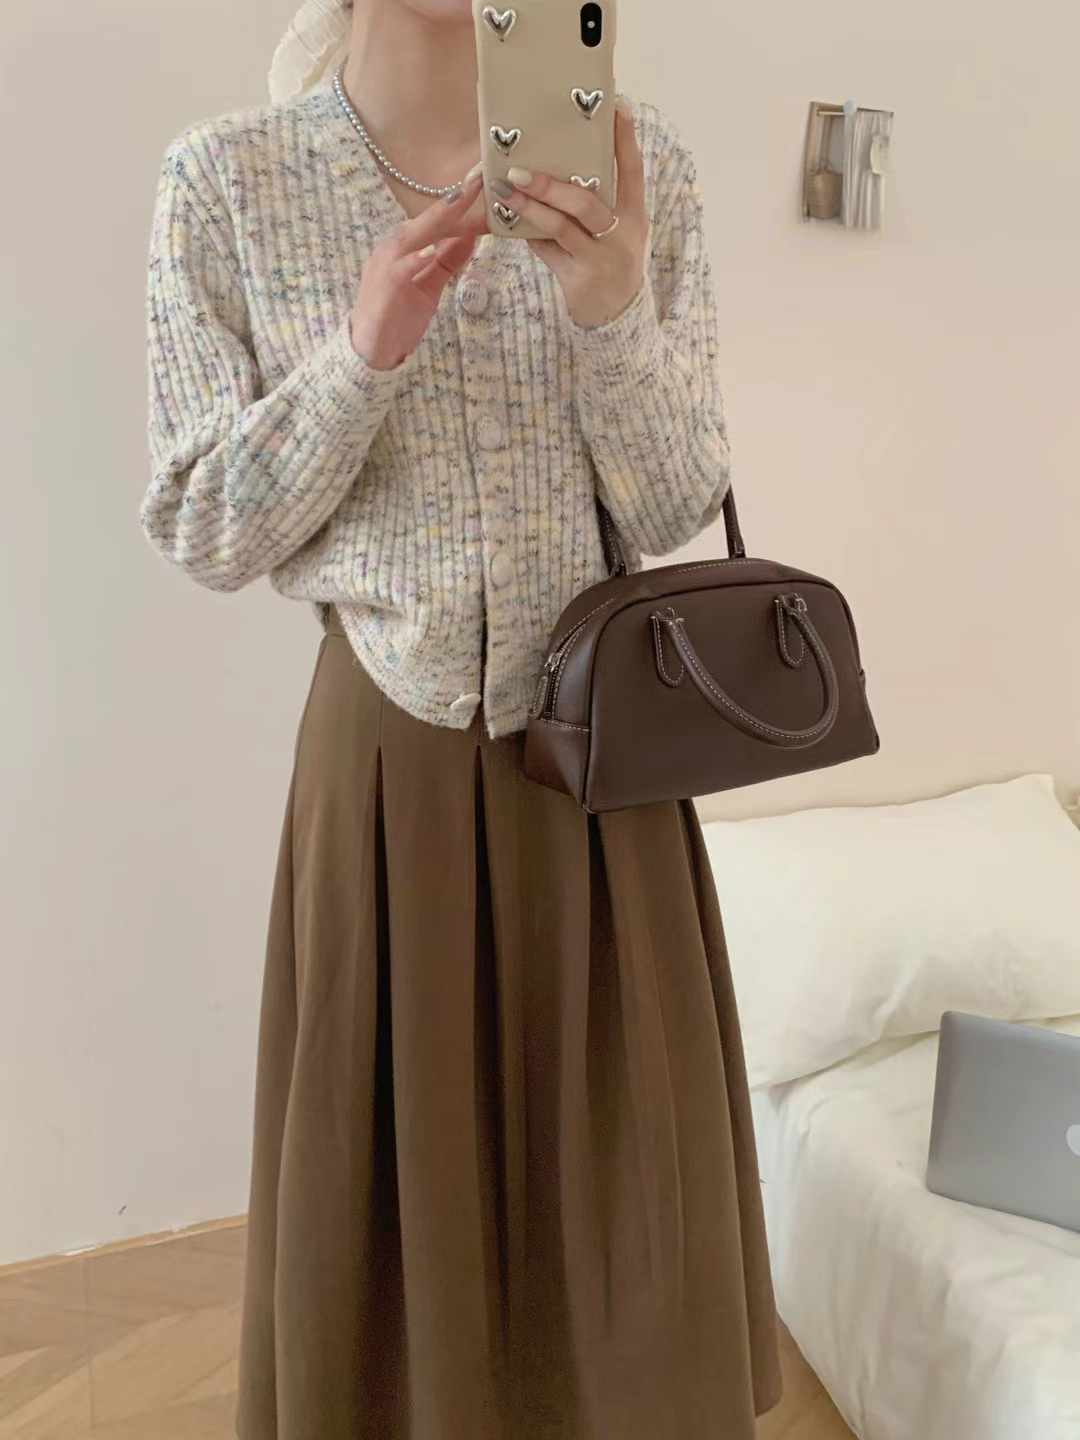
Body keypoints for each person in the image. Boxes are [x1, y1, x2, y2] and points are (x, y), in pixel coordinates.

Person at [140, 0, 783, 1434]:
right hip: (385, 763)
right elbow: (203, 526)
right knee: (386, 1201)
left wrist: (609, 310)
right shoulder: (229, 179)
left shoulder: (641, 165)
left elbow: (677, 504)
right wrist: (360, 355)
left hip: (605, 765)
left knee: (624, 1207)